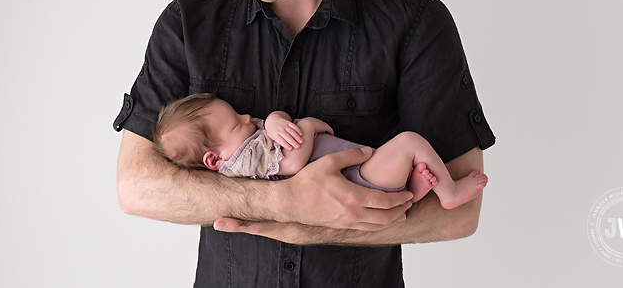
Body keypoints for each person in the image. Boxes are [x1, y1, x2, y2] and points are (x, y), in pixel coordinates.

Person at [113, 0, 495, 287]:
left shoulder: (415, 21)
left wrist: (306, 227)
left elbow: (460, 213)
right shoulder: (187, 22)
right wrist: (282, 203)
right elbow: (136, 186)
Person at [154, 93, 489, 208]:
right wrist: (309, 126)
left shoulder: (243, 142)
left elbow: (270, 125)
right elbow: (295, 162)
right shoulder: (242, 162)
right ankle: (450, 193)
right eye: (235, 123)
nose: (245, 117)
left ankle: (410, 194)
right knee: (410, 142)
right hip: (356, 178)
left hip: (360, 173)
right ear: (214, 159)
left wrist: (274, 120)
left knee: (399, 158)